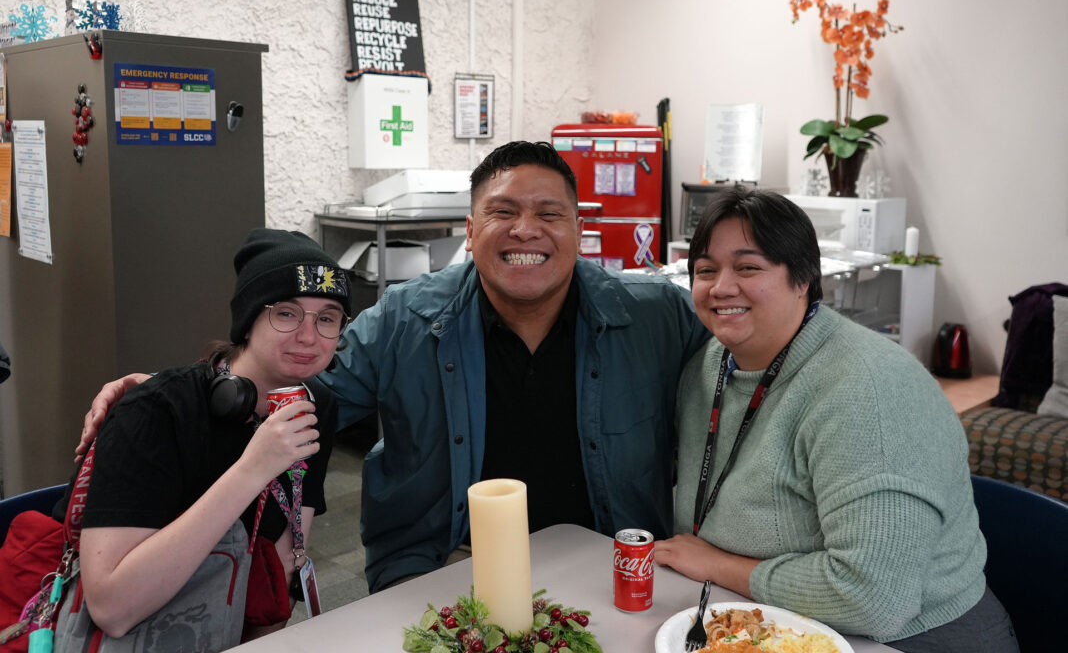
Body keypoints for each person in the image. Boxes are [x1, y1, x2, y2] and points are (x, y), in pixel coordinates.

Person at [81, 141, 710, 594]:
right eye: (502, 212)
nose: (527, 230)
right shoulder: (407, 318)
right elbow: (304, 387)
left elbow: (742, 379)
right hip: (443, 563)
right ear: (470, 228)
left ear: (579, 231)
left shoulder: (655, 316)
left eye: (549, 214)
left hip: (612, 562)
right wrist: (181, 394)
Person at [653, 186, 1017, 652]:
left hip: (910, 636)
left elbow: (875, 600)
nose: (721, 287)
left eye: (748, 267)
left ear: (803, 278)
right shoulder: (710, 365)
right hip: (759, 619)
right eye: (705, 270)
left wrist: (716, 565)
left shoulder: (870, 390)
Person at [56, 229, 349, 647]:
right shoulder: (155, 410)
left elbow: (279, 569)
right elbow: (112, 610)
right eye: (285, 313)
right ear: (248, 321)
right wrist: (253, 468)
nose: (308, 336)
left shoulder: (315, 402)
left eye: (327, 318)